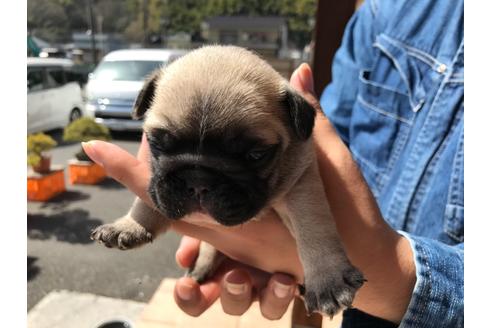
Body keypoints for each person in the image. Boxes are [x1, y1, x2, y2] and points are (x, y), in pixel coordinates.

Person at [82, 0, 463, 326]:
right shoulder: (387, 12)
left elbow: (315, 178)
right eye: (163, 141)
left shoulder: (296, 140)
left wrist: (333, 268)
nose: (199, 183)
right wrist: (140, 219)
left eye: (252, 153)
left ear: (297, 118)